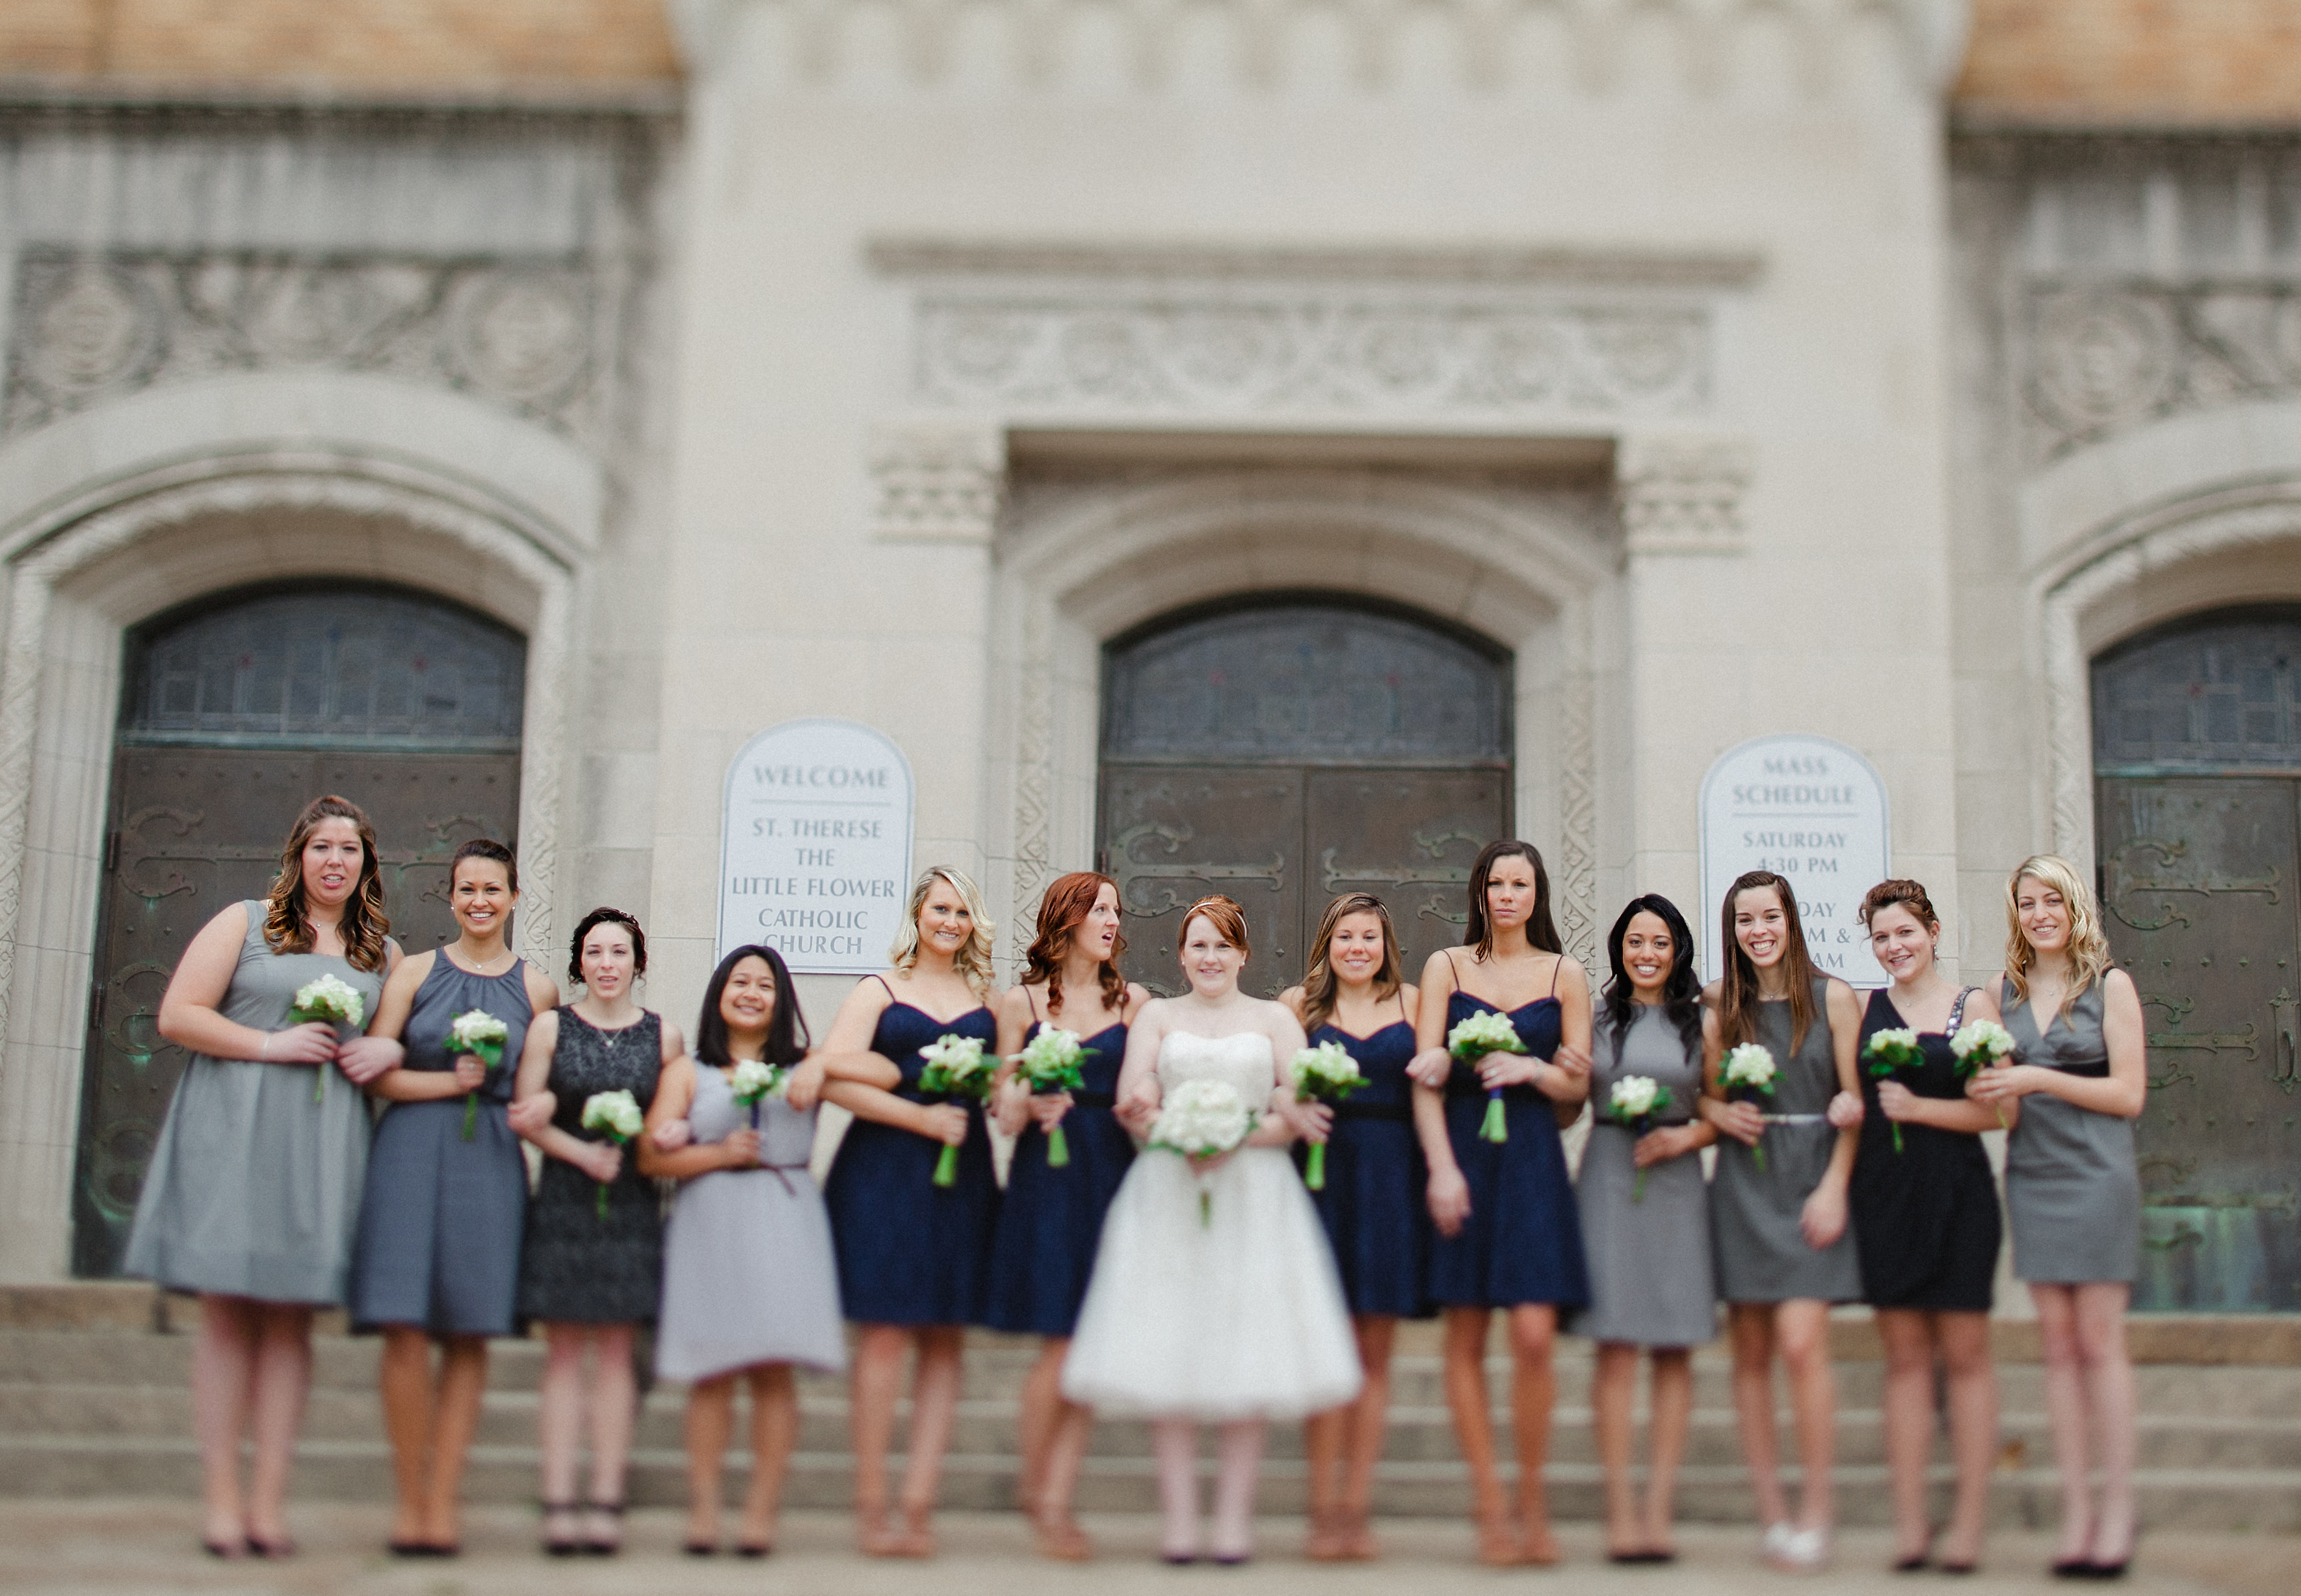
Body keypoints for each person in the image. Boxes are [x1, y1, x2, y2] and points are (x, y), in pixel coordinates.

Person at [122, 794, 401, 1558]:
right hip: (235, 1126)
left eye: (350, 848)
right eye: (322, 847)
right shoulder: (245, 923)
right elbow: (178, 1015)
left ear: (367, 863)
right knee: (226, 1314)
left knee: (291, 1321)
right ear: (298, 857)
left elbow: (388, 1048)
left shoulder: (383, 952)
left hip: (321, 1143)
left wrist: (389, 1053)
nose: (335, 860)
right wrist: (271, 1046)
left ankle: (268, 1505)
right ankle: (219, 1503)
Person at [1062, 895, 1360, 1566]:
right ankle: (1178, 1523)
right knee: (1171, 1346)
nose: (1209, 958)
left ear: (1243, 954)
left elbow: (1296, 1110)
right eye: (1197, 946)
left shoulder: (1275, 1019)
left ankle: (1231, 1523)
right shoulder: (1157, 1018)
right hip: (1169, 1189)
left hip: (1255, 1196)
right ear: (1180, 954)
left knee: (1245, 1351)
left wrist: (1233, 1133)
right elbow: (1132, 1104)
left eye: (1222, 946)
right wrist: (1168, 1125)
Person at [348, 838, 559, 1556]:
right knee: (405, 1324)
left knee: (470, 1325)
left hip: (490, 1157)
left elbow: (538, 1091)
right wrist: (447, 1083)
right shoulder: (411, 973)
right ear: (450, 896)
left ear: (513, 897)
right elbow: (376, 1070)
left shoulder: (536, 988)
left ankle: (445, 1501)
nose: (479, 902)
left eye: (492, 890)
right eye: (467, 889)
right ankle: (409, 1498)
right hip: (409, 1147)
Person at [1405, 841, 1592, 1566]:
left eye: (1520, 883)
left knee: (1535, 1335)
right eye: (1495, 882)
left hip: (1533, 1161)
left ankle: (1532, 1500)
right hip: (1463, 1156)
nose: (1506, 894)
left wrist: (1534, 1069)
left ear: (1536, 892)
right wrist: (1441, 1170)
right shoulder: (1446, 967)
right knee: (1466, 1336)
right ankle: (1489, 1502)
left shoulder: (1564, 973)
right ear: (1479, 892)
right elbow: (1425, 1073)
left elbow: (1576, 1089)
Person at [642, 945, 853, 1558]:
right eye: (740, 981)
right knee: (711, 1371)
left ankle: (761, 1512)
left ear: (781, 999)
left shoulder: (804, 1065)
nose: (751, 992)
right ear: (719, 994)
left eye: (765, 984)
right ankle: (705, 1509)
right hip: (709, 1218)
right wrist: (715, 1153)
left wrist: (824, 1064)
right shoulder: (689, 1070)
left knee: (772, 1369)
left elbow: (880, 1079)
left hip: (784, 1218)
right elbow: (650, 1155)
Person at [817, 867, 1003, 1558]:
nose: (949, 921)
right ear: (917, 916)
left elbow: (1002, 1082)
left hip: (963, 1177)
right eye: (939, 908)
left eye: (961, 911)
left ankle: (917, 1502)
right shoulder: (878, 990)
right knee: (886, 1338)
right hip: (883, 1173)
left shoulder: (986, 999)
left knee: (944, 1338)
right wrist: (917, 1120)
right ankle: (872, 1503)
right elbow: (832, 1073)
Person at [1968, 856, 2145, 1579]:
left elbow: (2129, 1095)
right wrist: (1986, 1087)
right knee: (2056, 1346)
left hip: (2098, 1176)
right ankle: (2074, 1513)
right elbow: (2001, 1112)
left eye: (2051, 900)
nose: (2039, 913)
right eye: (2026, 903)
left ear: (2074, 907)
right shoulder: (1997, 997)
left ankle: (2117, 1511)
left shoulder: (2111, 987)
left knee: (2098, 1342)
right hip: (2033, 1175)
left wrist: (2038, 1075)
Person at [1842, 878, 2010, 1574]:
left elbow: (2001, 1110)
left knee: (1965, 1357)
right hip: (1882, 1193)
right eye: (1881, 937)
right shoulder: (1861, 1009)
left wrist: (1921, 1110)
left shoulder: (1971, 1006)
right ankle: (1911, 1525)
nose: (1893, 946)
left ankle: (1968, 1524)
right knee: (1905, 1360)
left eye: (1904, 932)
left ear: (1933, 931)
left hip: (1959, 1193)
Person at [1698, 869, 1863, 1572]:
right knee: (1751, 1355)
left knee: (1802, 1345)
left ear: (1790, 921)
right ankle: (1771, 1512)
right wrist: (1713, 1112)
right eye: (1743, 921)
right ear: (1731, 931)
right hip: (1743, 1181)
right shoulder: (1716, 1005)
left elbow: (1853, 1103)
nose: (1757, 931)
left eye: (1768, 917)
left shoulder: (1834, 999)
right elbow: (1701, 1098)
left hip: (1811, 1176)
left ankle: (1816, 1509)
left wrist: (1833, 1188)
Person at [982, 871, 1149, 1562]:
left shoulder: (1134, 1001)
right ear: (1067, 918)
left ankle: (1054, 1493)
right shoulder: (1017, 1002)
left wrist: (1142, 1106)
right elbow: (1000, 1104)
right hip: (1045, 1180)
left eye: (1114, 910)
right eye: (1098, 909)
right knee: (1061, 1341)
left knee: (1090, 1343)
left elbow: (1141, 1087)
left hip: (1110, 1176)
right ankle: (1041, 1492)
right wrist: (1030, 1089)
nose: (1111, 920)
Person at [511, 908, 681, 1556]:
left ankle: (606, 1494)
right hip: (564, 1195)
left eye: (619, 952)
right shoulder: (550, 1027)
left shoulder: (665, 1036)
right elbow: (525, 1113)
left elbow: (672, 1113)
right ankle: (558, 1496)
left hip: (633, 1203)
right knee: (562, 1353)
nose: (606, 964)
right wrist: (579, 1152)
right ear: (578, 961)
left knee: (615, 1353)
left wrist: (665, 1133)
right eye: (594, 952)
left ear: (638, 961)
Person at [1278, 892, 1427, 1562]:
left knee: (1373, 1355)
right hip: (1320, 1180)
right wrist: (1290, 1103)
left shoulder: (1415, 1004)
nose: (1357, 947)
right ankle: (1318, 1506)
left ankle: (1355, 1507)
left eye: (1368, 935)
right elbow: (1269, 1081)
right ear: (1326, 944)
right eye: (1345, 936)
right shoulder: (1295, 1007)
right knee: (1322, 1349)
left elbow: (1433, 1085)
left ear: (1385, 943)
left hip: (1393, 1179)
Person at [1574, 895, 1716, 1564]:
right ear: (1618, 948)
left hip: (1675, 1184)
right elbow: (1570, 1091)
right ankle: (1619, 1509)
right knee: (1614, 1345)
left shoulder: (1703, 1022)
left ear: (1677, 949)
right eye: (1635, 941)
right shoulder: (1595, 1016)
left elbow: (1723, 1107)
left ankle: (1658, 1506)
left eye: (1659, 942)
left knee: (1672, 1345)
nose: (1647, 953)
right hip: (1607, 1174)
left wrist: (1686, 1135)